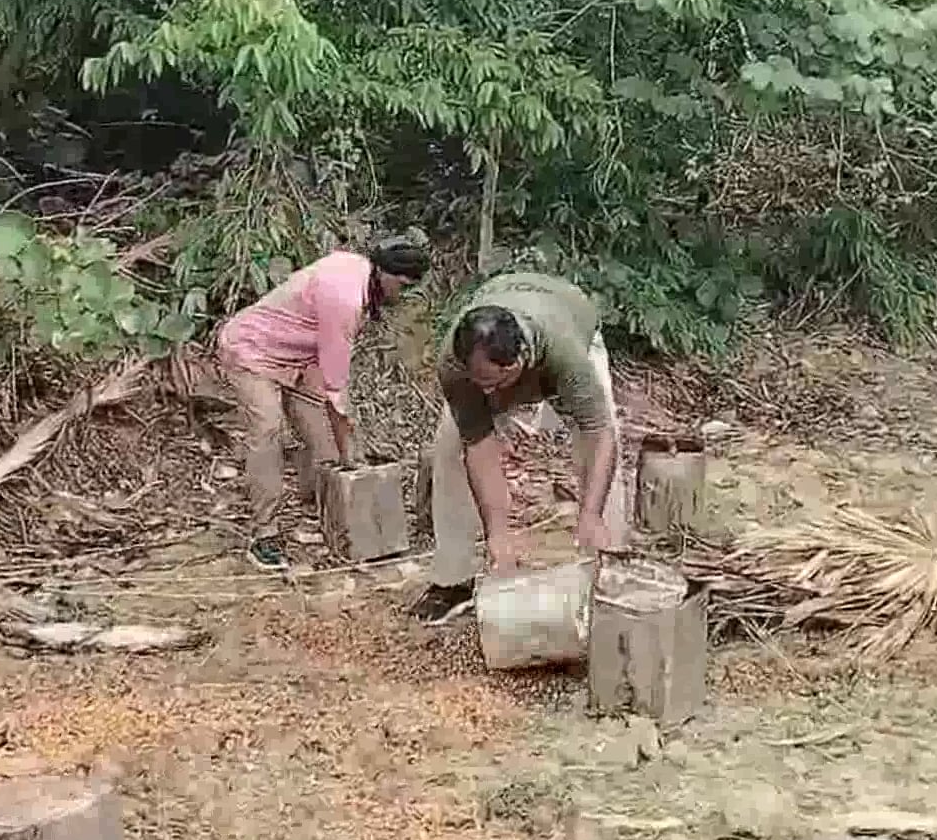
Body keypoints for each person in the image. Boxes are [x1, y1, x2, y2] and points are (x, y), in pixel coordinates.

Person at [411, 272, 629, 624]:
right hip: (504, 336)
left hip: (569, 321)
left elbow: (598, 432)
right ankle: (453, 579)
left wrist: (590, 513)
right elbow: (478, 445)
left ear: (520, 360)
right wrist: (497, 532)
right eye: (478, 383)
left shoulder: (565, 352)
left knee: (601, 446)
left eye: (493, 383)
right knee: (449, 446)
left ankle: (610, 566)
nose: (486, 394)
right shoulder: (455, 363)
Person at [217, 238, 430, 570]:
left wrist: (346, 449)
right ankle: (264, 533)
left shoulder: (361, 274)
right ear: (385, 273)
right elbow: (336, 389)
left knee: (323, 439)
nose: (402, 295)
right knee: (268, 431)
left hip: (297, 357)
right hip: (252, 350)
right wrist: (350, 448)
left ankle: (327, 512)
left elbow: (330, 386)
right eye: (402, 286)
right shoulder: (345, 297)